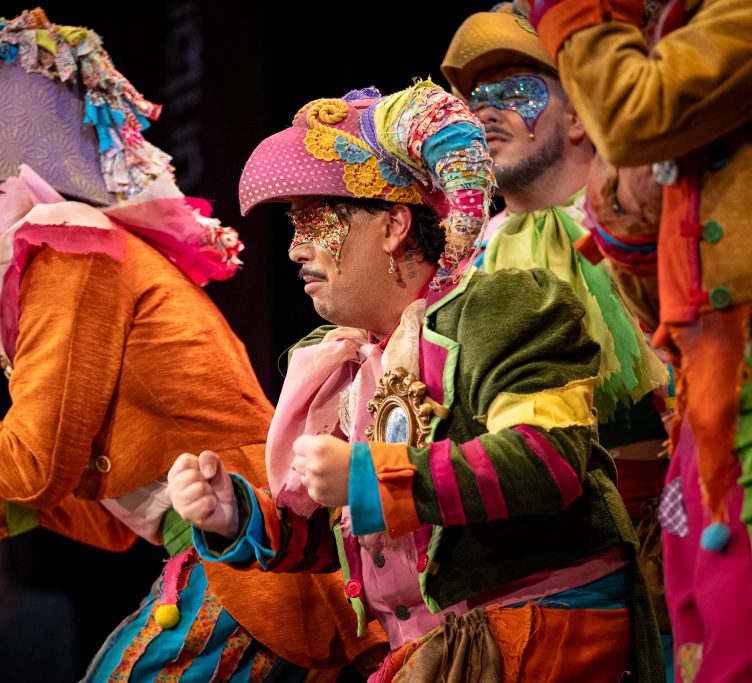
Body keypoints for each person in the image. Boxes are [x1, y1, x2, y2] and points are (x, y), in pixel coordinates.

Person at [0, 9, 379, 679]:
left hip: (248, 552)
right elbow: (104, 513)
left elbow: (33, 465)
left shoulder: (65, 253)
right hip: (230, 553)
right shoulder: (77, 255)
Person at [169, 81, 663, 681]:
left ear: (394, 225)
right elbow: (352, 531)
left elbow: (546, 461)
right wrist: (236, 515)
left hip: (540, 635)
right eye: (296, 227)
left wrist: (369, 476)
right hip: (437, 649)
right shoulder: (347, 362)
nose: (296, 250)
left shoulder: (502, 307)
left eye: (316, 221)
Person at [442, 5, 674, 673]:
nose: (487, 113)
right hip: (537, 569)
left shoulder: (639, 222)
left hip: (669, 526)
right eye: (477, 99)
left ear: (577, 115)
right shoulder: (466, 264)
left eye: (516, 92)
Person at [526, 1, 752, 680]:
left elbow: (633, 115)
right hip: (706, 407)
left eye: (518, 91)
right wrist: (624, 213)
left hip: (738, 397)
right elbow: (661, 311)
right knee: (701, 646)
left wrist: (575, 12)